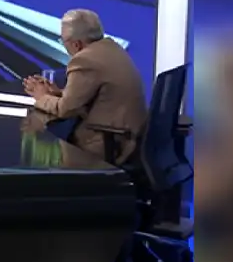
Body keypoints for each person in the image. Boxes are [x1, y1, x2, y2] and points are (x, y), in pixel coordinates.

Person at [23, 9, 147, 164]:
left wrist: (41, 97)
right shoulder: (112, 48)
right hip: (130, 137)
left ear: (77, 44)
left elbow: (65, 110)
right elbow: (91, 97)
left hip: (110, 144)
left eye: (63, 41)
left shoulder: (84, 60)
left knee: (46, 154)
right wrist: (58, 93)